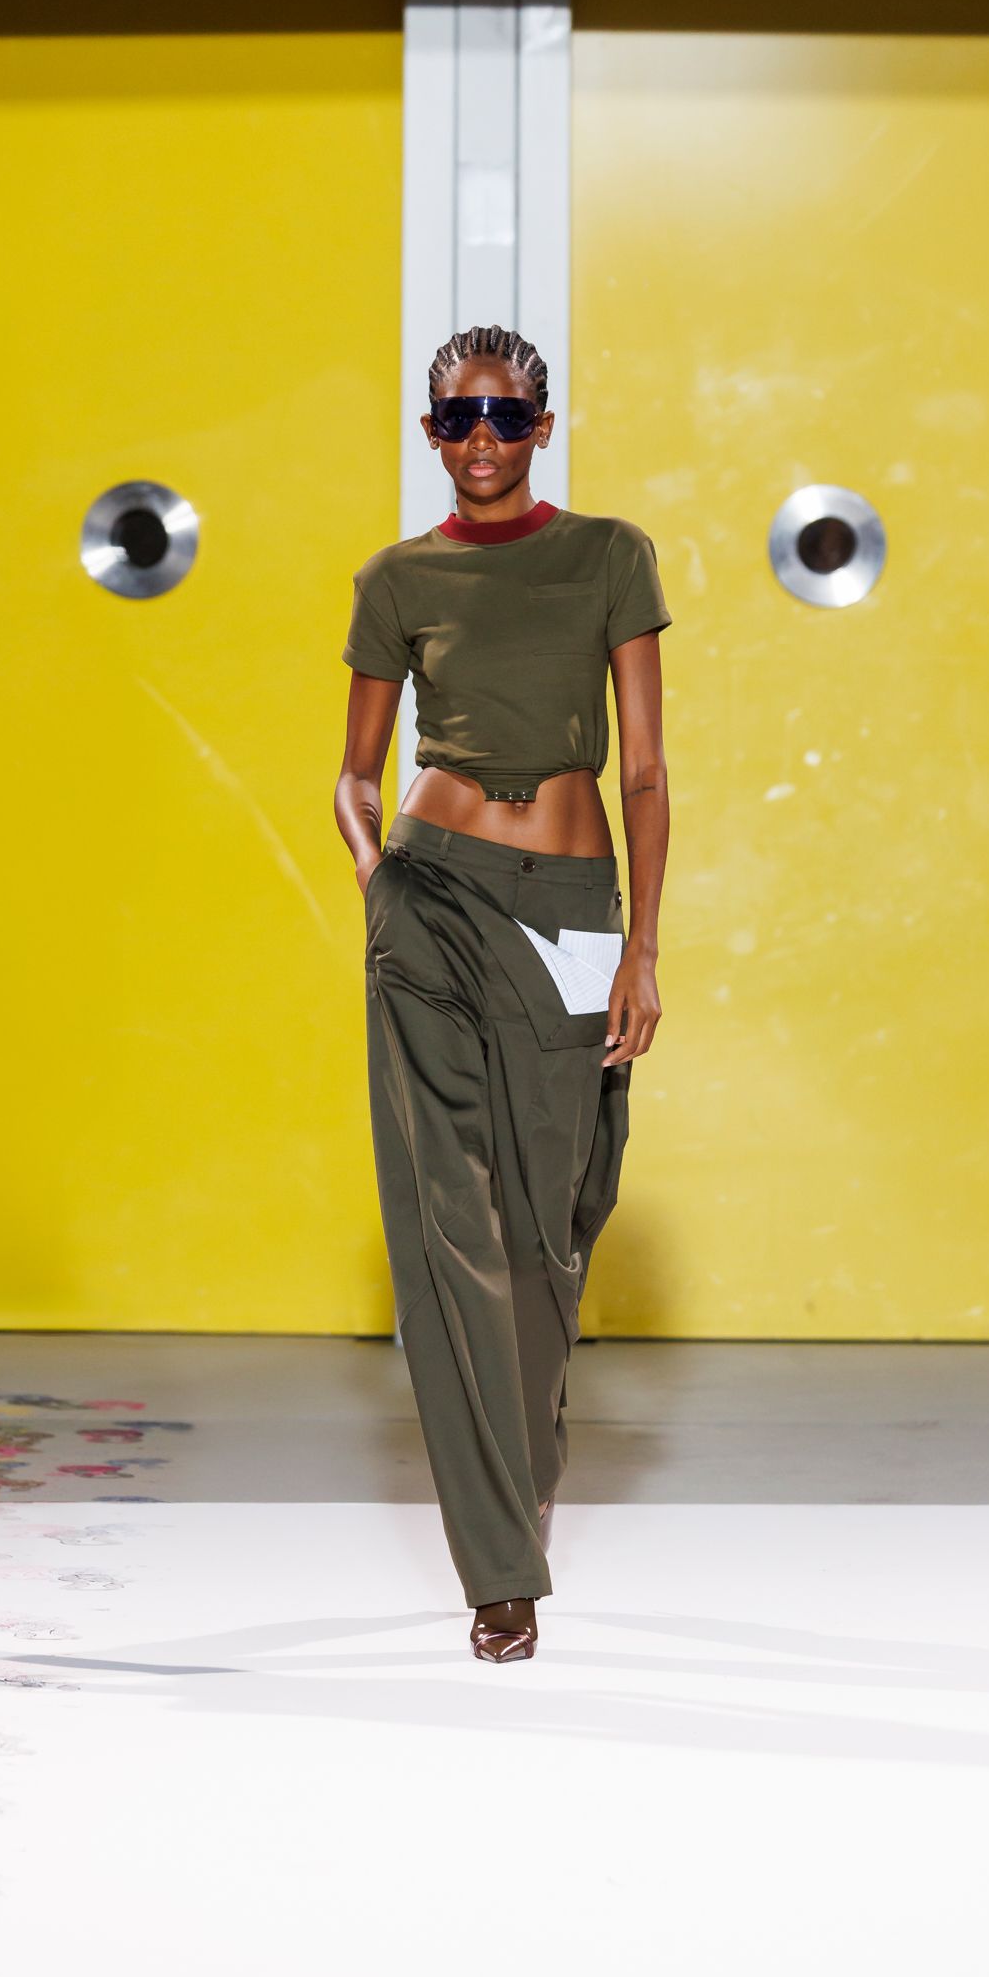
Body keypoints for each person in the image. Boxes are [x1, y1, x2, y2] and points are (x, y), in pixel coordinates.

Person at [333, 322, 671, 1664]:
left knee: (553, 1220)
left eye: (506, 416)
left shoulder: (610, 556)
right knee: (447, 1225)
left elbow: (643, 770)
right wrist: (383, 885)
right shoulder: (395, 577)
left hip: (574, 908)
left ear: (542, 425)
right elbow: (355, 773)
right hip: (430, 898)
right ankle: (499, 1569)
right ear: (430, 433)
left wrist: (644, 947)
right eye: (458, 419)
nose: (482, 438)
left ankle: (518, 1477)